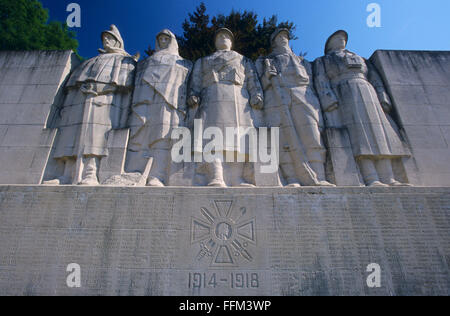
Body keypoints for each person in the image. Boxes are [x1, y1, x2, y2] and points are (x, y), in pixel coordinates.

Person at [314, 30, 411, 187]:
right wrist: (328, 100)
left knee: (381, 135)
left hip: (368, 91)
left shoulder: (360, 58)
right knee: (361, 137)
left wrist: (383, 97)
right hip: (344, 92)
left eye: (343, 37)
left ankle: (389, 177)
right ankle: (371, 177)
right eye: (337, 37)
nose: (342, 39)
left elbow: (375, 78)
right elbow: (321, 80)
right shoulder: (324, 60)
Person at [44, 25, 137, 185]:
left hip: (104, 102)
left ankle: (90, 174)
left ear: (117, 41)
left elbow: (124, 83)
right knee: (71, 136)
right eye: (104, 38)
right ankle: (66, 174)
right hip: (80, 101)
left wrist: (103, 88)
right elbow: (73, 83)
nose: (106, 40)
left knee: (95, 138)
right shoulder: (92, 60)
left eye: (109, 38)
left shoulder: (123, 60)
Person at [256, 29, 334, 187]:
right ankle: (291, 178)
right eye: (279, 37)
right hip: (276, 96)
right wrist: (267, 77)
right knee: (282, 138)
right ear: (273, 42)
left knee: (312, 135)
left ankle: (319, 175)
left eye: (285, 36)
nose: (283, 39)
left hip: (303, 95)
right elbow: (260, 85)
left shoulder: (302, 61)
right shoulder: (264, 61)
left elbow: (314, 82)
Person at [188, 28, 264, 187]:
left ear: (231, 41)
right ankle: (216, 176)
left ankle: (236, 178)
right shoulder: (203, 61)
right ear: (215, 41)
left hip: (238, 97)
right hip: (211, 95)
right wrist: (193, 94)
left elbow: (252, 78)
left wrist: (257, 94)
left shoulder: (243, 59)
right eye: (220, 36)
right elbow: (195, 80)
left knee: (239, 139)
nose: (223, 37)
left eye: (227, 36)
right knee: (212, 138)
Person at [126, 29, 192, 186]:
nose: (163, 41)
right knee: (142, 135)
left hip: (168, 103)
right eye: (160, 39)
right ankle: (135, 171)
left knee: (162, 137)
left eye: (166, 39)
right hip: (145, 101)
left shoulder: (182, 62)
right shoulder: (146, 62)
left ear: (172, 41)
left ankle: (157, 175)